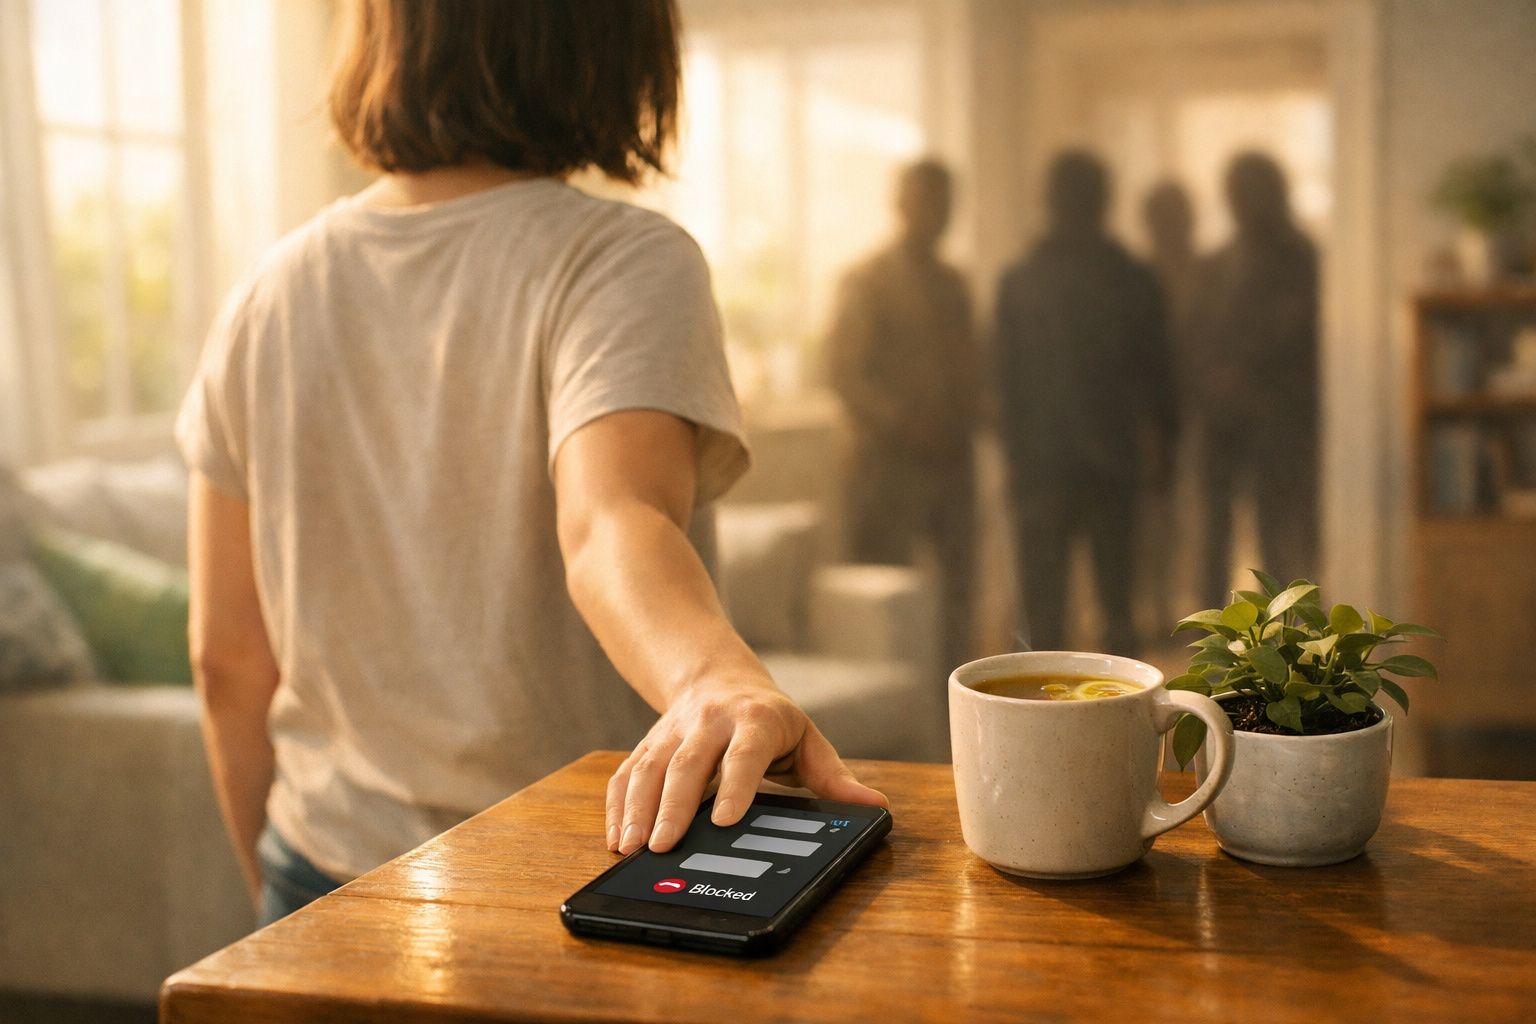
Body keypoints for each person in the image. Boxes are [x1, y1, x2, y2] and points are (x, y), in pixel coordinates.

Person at [179, 0, 885, 926]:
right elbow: (610, 519)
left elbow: (225, 661)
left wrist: (283, 906)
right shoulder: (619, 260)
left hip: (315, 871)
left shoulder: (266, 295)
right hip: (559, 884)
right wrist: (712, 676)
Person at [992, 151, 1175, 656]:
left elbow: (1002, 386)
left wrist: (1013, 457)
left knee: (1048, 615)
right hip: (1109, 467)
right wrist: (1164, 459)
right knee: (1115, 615)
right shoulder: (1133, 278)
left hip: (1044, 469)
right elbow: (1159, 382)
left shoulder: (1021, 280)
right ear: (1105, 200)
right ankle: (1125, 731)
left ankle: (1040, 732)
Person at [826, 159, 981, 672]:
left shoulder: (954, 285)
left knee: (959, 596)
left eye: (943, 203)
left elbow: (971, 366)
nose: (934, 214)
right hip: (885, 469)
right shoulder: (868, 281)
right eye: (923, 201)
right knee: (884, 604)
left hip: (951, 464)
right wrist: (901, 424)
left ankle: (953, 706)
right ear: (900, 204)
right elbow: (845, 372)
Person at [1187, 152, 1319, 603]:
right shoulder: (1213, 264)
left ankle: (1291, 641)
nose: (1241, 204)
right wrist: (1212, 379)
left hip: (1280, 419)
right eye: (1235, 195)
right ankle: (1207, 639)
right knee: (1213, 532)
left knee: (1281, 535)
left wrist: (1246, 373)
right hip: (1220, 417)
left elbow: (1298, 332)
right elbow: (1194, 335)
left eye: (1249, 194)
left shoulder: (1302, 259)